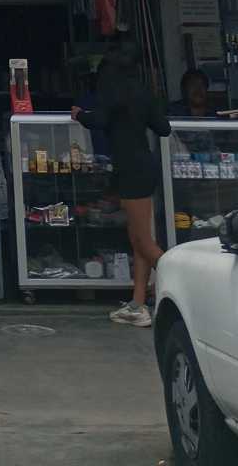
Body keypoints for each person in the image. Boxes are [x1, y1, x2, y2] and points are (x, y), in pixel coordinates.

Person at [73, 41, 170, 329]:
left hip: (130, 171)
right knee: (138, 241)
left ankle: (187, 284)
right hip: (144, 166)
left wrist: (79, 115)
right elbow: (164, 128)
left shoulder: (111, 93)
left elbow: (99, 120)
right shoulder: (142, 93)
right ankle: (137, 304)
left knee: (144, 243)